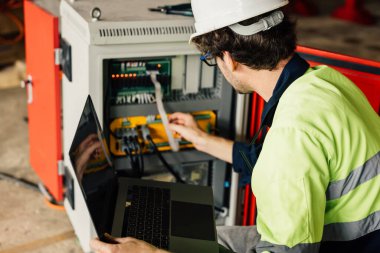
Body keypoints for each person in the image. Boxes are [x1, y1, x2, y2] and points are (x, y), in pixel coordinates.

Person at [90, 0, 380, 252]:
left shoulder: (292, 132)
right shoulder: (323, 81)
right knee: (215, 236)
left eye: (211, 59)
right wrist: (202, 139)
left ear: (228, 58)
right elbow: (284, 165)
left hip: (344, 247)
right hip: (359, 238)